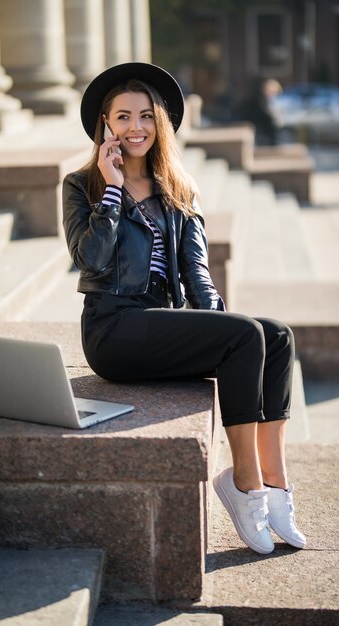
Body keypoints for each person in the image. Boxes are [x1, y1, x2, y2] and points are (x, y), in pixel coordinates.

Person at [62, 62, 306, 555]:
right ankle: (245, 484)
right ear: (105, 125)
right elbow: (89, 259)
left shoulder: (179, 186)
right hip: (114, 329)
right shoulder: (81, 185)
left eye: (146, 116)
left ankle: (276, 484)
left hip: (163, 323)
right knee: (244, 336)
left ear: (161, 123)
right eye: (123, 117)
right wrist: (111, 190)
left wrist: (219, 322)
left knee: (274, 334)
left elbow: (197, 272)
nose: (136, 127)